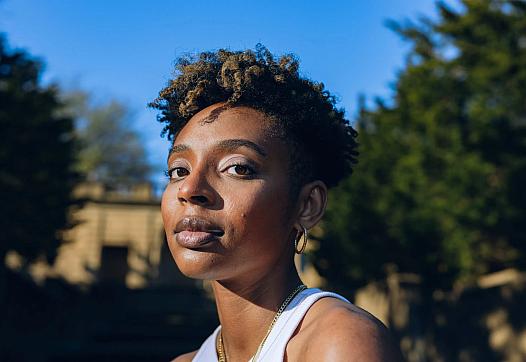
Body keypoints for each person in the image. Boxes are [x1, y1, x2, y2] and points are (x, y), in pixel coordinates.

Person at [150, 45, 403, 362]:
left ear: (307, 205)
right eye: (178, 170)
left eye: (238, 168)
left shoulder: (341, 343)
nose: (190, 189)